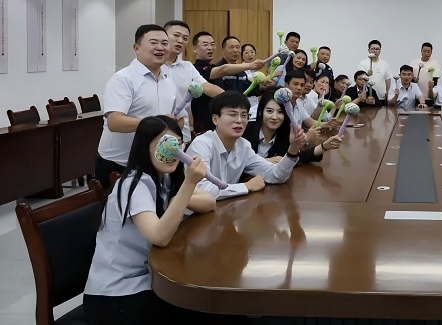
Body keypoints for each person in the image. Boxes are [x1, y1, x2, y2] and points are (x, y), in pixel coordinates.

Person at [83, 116, 215, 324]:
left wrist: (178, 197)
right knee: (206, 310)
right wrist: (188, 185)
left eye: (177, 145)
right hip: (115, 295)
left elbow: (209, 202)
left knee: (210, 307)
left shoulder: (165, 179)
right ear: (145, 148)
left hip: (148, 279)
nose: (173, 153)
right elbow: (159, 237)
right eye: (165, 146)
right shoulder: (133, 185)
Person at [95, 25, 186, 189]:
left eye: (164, 43)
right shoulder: (123, 79)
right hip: (119, 164)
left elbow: (176, 118)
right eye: (154, 43)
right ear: (136, 48)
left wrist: (176, 123)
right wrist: (158, 123)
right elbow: (114, 122)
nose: (160, 48)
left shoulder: (168, 80)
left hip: (154, 162)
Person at [187, 91, 303, 200]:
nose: (239, 120)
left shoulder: (243, 146)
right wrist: (246, 186)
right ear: (215, 119)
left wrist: (293, 149)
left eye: (244, 115)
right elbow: (202, 189)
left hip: (225, 208)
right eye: (232, 114)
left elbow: (275, 175)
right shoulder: (202, 144)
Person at [162, 21, 223, 142]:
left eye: (185, 38)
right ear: (163, 36)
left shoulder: (188, 67)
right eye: (176, 35)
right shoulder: (153, 65)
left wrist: (233, 99)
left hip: (181, 131)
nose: (180, 41)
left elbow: (207, 87)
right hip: (156, 128)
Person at [245, 87, 341, 163]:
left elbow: (295, 157)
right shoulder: (245, 130)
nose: (274, 117)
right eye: (269, 111)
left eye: (280, 112)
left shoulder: (285, 134)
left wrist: (324, 146)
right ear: (261, 111)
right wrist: (265, 161)